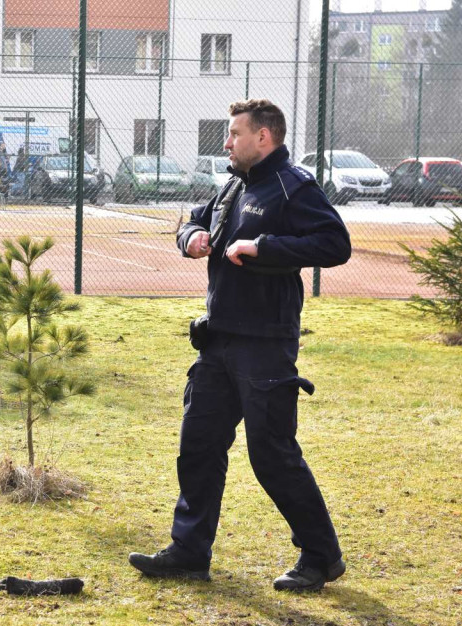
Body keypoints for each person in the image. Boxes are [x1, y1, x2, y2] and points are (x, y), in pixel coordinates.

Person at [128, 99, 352, 592]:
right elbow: (192, 220)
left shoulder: (293, 188)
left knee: (271, 453)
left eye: (233, 134)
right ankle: (189, 551)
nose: (226, 143)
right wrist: (190, 237)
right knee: (199, 445)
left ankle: (321, 555)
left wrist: (265, 247)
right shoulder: (233, 185)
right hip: (218, 340)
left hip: (265, 346)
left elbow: (336, 244)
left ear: (263, 138)